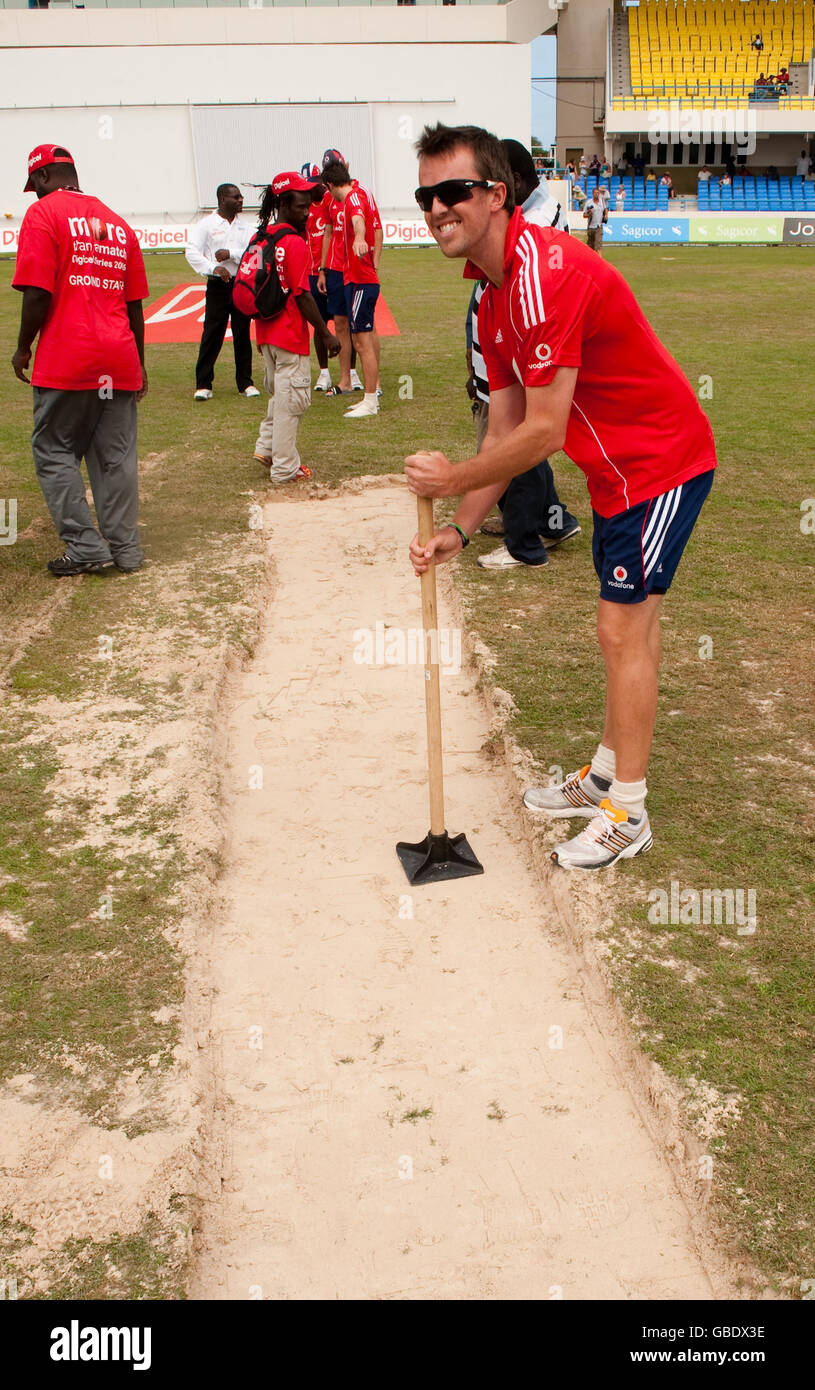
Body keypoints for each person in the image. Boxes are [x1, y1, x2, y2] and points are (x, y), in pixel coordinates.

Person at [405, 122, 717, 871]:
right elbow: (504, 425)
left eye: (453, 191)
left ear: (495, 194)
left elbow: (542, 433)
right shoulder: (490, 294)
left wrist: (451, 479)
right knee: (624, 630)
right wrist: (459, 522)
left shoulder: (546, 273)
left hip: (660, 463)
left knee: (623, 631)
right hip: (615, 474)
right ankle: (607, 774)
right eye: (425, 195)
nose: (437, 208)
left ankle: (626, 812)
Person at [11, 143, 148, 576]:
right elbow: (135, 307)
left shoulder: (44, 213)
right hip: (119, 357)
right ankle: (126, 550)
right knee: (115, 458)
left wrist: (23, 346)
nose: (33, 194)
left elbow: (37, 293)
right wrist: (139, 363)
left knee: (54, 450)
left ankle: (86, 546)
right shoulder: (117, 222)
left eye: (34, 186)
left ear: (46, 177)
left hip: (68, 356)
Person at [463, 137, 580, 573]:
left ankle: (524, 543)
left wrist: (452, 482)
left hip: (526, 356)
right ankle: (553, 520)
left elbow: (538, 434)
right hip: (508, 355)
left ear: (506, 187)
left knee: (520, 446)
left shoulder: (530, 236)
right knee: (518, 443)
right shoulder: (524, 230)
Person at [252, 172, 339, 483]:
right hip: (290, 334)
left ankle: (266, 447)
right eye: (302, 206)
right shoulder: (294, 243)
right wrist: (326, 333)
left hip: (265, 335)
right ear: (285, 203)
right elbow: (302, 296)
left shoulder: (261, 237)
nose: (307, 212)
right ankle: (286, 468)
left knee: (280, 394)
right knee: (292, 403)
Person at [185, 183, 258, 401]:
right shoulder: (207, 224)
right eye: (235, 197)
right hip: (217, 286)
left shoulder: (247, 227)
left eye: (241, 197)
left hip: (240, 284)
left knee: (242, 333)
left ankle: (245, 383)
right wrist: (212, 268)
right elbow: (191, 251)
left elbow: (255, 253)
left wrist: (231, 254)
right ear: (221, 200)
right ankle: (203, 384)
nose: (240, 200)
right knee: (212, 333)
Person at [322, 160, 383, 418]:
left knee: (362, 340)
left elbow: (360, 220)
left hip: (361, 280)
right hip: (354, 279)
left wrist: (359, 237)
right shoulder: (354, 198)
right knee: (360, 339)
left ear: (330, 185)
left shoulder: (353, 198)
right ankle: (369, 396)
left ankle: (371, 399)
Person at [583, 185, 606, 255]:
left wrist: (606, 215)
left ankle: (600, 262)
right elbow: (584, 215)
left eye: (598, 193)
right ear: (592, 194)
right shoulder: (588, 203)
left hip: (598, 227)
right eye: (595, 193)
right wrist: (589, 214)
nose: (596, 194)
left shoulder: (602, 201)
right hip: (591, 227)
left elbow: (605, 209)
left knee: (598, 245)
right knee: (590, 247)